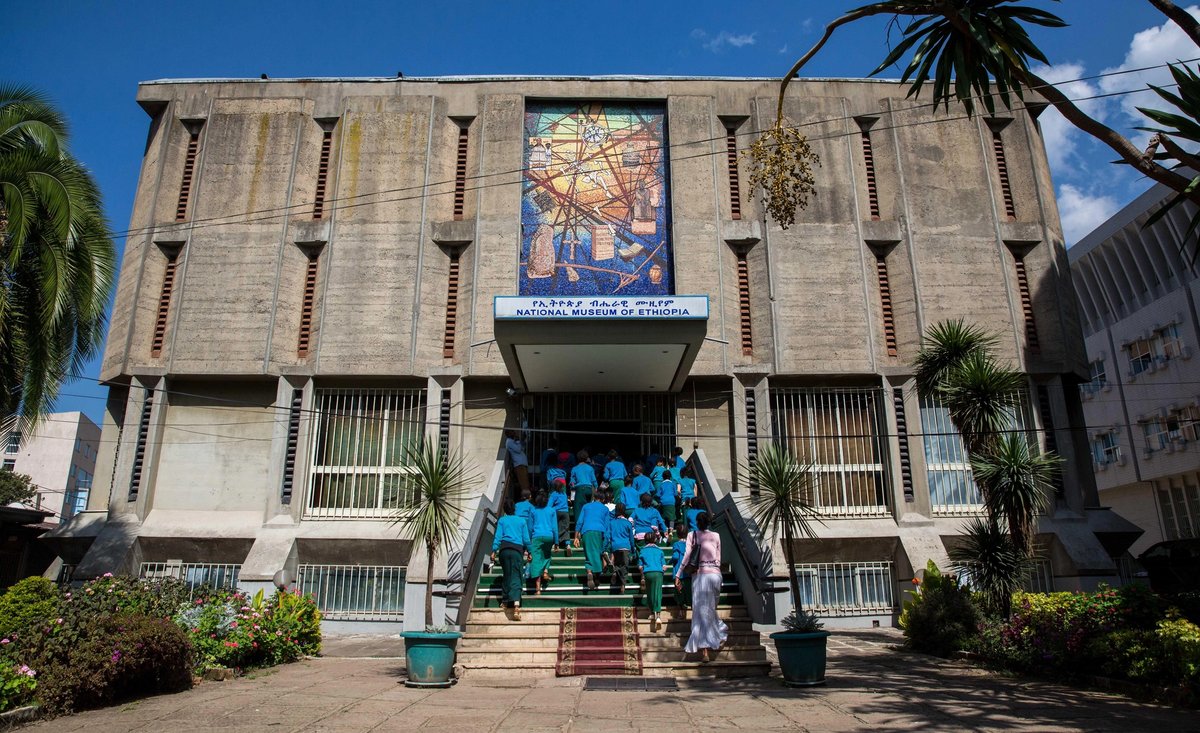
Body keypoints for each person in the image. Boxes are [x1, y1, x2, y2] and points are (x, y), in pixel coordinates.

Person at [677, 511, 727, 661]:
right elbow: (718, 558)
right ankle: (716, 635)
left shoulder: (692, 535)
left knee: (700, 611)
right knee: (709, 609)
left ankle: (705, 648)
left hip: (701, 575)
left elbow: (687, 556)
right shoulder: (716, 536)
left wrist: (678, 574)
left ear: (697, 523)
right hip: (715, 575)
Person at [491, 499, 532, 621]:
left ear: (504, 510)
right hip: (516, 551)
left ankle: (504, 601)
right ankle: (516, 605)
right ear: (514, 509)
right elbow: (526, 538)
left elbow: (498, 536)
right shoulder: (521, 521)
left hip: (504, 550)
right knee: (517, 576)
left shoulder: (502, 520)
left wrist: (494, 550)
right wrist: (529, 551)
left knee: (507, 575)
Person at [574, 490, 610, 590]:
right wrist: (606, 540)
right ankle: (597, 576)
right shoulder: (605, 509)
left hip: (586, 531)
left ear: (594, 498)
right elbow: (607, 526)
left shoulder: (586, 506)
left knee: (589, 554)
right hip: (599, 531)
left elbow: (580, 521)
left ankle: (589, 572)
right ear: (603, 499)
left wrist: (576, 536)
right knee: (598, 554)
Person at [529, 491, 559, 595]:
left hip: (536, 536)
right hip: (549, 536)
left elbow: (530, 527)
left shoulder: (533, 511)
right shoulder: (552, 510)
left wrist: (528, 541)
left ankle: (538, 589)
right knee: (547, 555)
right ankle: (545, 571)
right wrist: (557, 542)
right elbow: (555, 527)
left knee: (536, 560)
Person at [638, 530, 667, 631]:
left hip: (647, 572)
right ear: (655, 539)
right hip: (658, 572)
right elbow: (664, 566)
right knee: (657, 592)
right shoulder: (660, 551)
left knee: (649, 592)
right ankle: (658, 615)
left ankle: (651, 613)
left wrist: (642, 575)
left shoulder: (642, 551)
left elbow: (640, 566)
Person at [604, 502, 636, 592]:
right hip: (625, 547)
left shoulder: (612, 523)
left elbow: (607, 537)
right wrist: (633, 550)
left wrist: (604, 548)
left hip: (615, 547)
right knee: (624, 566)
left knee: (617, 563)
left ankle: (614, 572)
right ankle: (623, 584)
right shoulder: (628, 523)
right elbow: (631, 539)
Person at [670, 523, 692, 617]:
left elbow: (675, 557)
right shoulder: (690, 544)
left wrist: (669, 562)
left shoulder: (676, 544)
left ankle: (680, 612)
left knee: (679, 593)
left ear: (677, 534)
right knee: (689, 592)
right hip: (688, 572)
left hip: (678, 573)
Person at [547, 468, 571, 554]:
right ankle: (567, 544)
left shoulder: (553, 494)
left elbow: (549, 505)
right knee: (565, 528)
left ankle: (555, 543)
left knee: (555, 527)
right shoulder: (564, 494)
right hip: (565, 512)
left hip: (556, 512)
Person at [570, 450, 597, 520]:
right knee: (588, 509)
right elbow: (594, 481)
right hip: (590, 489)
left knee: (578, 509)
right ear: (586, 458)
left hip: (580, 490)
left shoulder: (575, 468)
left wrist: (572, 486)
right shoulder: (590, 468)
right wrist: (596, 488)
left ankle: (578, 529)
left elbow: (572, 482)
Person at [505, 429, 530, 497]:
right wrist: (518, 441)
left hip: (522, 465)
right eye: (513, 432)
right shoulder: (509, 441)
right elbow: (518, 450)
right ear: (509, 434)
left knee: (526, 484)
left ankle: (527, 499)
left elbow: (522, 448)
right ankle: (526, 500)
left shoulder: (513, 441)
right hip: (519, 465)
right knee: (524, 484)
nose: (515, 433)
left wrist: (522, 441)